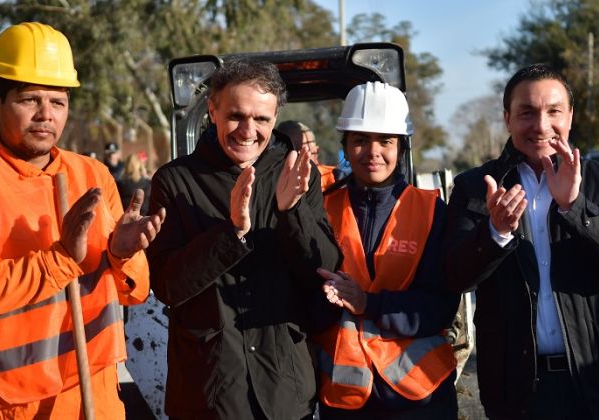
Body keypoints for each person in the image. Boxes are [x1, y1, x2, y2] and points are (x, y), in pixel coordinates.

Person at [444, 63, 599, 419]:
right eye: (526, 113)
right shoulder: (475, 189)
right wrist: (496, 232)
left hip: (597, 380)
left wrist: (576, 208)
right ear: (508, 119)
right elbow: (454, 277)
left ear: (569, 116)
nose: (541, 126)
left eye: (553, 111)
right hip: (518, 390)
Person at [0, 22, 165, 418]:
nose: (45, 115)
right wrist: (62, 257)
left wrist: (123, 256)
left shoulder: (93, 175)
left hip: (94, 396)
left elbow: (133, 293)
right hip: (13, 403)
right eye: (30, 100)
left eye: (58, 102)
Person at [146, 58, 341, 419]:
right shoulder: (174, 183)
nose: (247, 130)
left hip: (285, 391)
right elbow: (167, 286)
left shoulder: (299, 175)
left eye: (262, 119)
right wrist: (231, 232)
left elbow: (324, 270)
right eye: (236, 115)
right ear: (213, 110)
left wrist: (291, 212)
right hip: (208, 394)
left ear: (275, 119)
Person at [314, 82, 460, 419]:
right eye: (360, 140)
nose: (372, 152)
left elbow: (441, 304)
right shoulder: (320, 209)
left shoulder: (431, 211)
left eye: (385, 141)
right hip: (346, 396)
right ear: (345, 146)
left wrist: (369, 303)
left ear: (401, 146)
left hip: (419, 395)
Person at [277, 120, 338, 190]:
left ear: (316, 151)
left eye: (305, 149)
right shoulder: (273, 183)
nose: (300, 154)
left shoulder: (335, 177)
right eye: (293, 150)